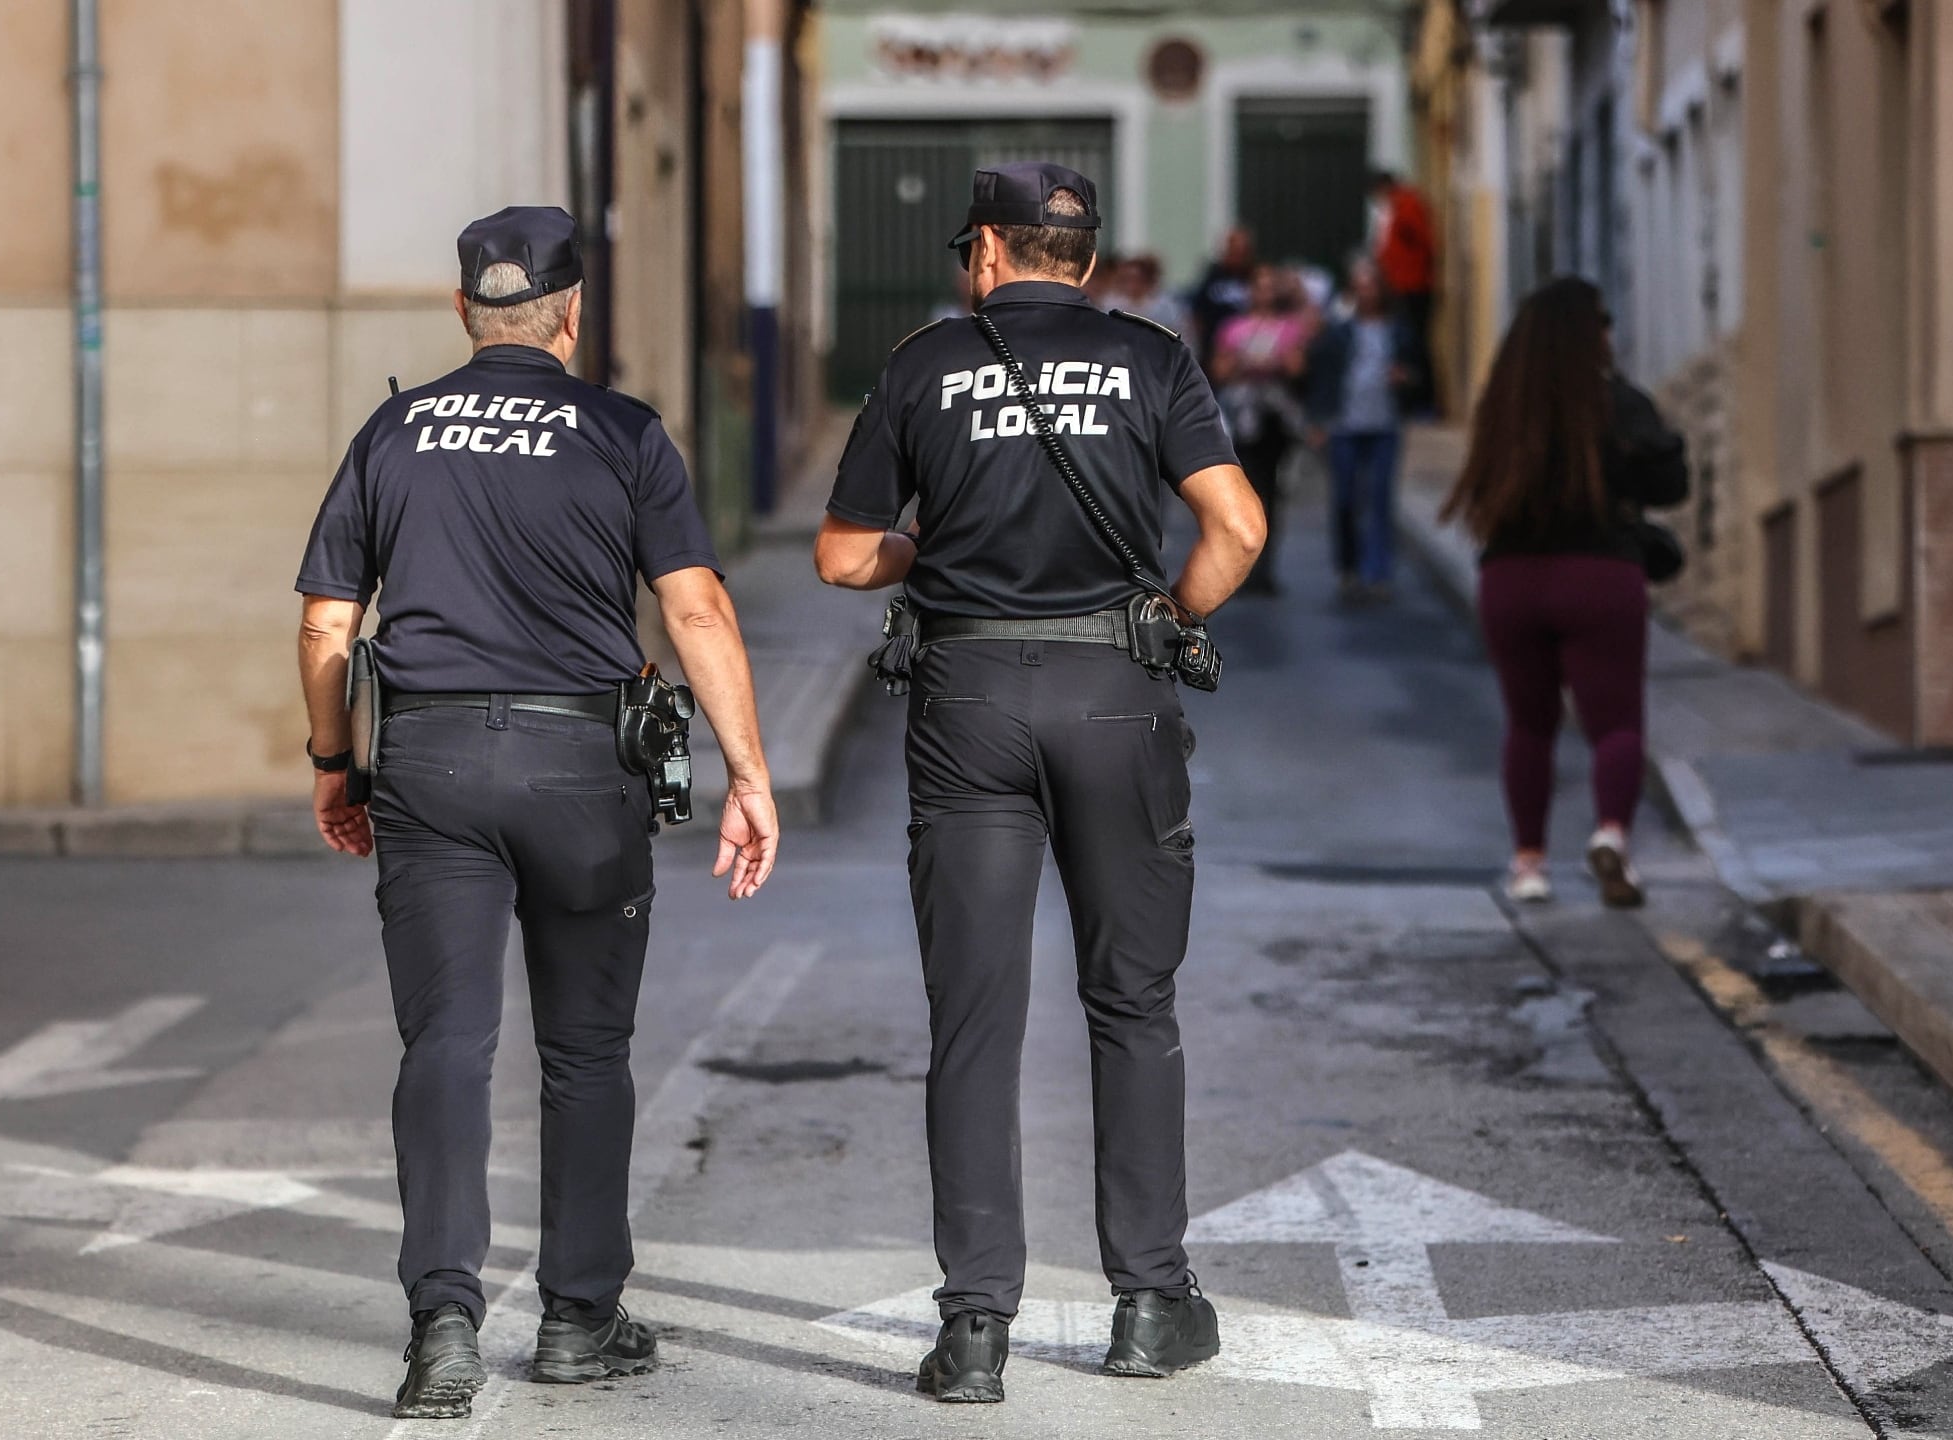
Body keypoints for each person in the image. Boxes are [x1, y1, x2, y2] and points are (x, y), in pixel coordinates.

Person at [294, 206, 781, 1420]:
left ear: (464, 312)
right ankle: (576, 1316)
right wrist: (748, 776)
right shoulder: (621, 432)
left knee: (446, 1047)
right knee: (585, 1051)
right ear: (573, 313)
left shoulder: (395, 430)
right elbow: (699, 612)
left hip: (433, 767)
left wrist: (332, 759)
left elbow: (324, 626)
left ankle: (443, 1328)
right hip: (582, 772)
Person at [814, 162, 1266, 1406]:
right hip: (1116, 693)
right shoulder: (1152, 359)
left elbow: (844, 555)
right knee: (1131, 1003)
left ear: (990, 256)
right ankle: (1151, 1304)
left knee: (973, 1022)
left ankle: (973, 1332)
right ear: (1083, 257)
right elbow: (1238, 529)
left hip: (966, 702)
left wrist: (925, 547)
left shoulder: (924, 364)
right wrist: (1166, 620)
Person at [1440, 278, 1686, 908]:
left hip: (1511, 581)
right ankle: (1611, 838)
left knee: (1529, 725)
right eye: (1603, 322)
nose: (1610, 333)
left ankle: (1528, 864)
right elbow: (1670, 483)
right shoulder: (1616, 403)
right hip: (1598, 575)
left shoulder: (1503, 409)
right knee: (1616, 725)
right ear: (1589, 335)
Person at [1303, 259, 1417, 602]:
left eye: (1372, 285)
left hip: (1384, 423)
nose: (1366, 293)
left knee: (1380, 498)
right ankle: (1349, 566)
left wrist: (1405, 378)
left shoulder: (1398, 330)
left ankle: (1378, 571)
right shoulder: (1339, 332)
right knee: (1346, 499)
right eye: (1360, 285)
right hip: (1345, 424)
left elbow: (1419, 374)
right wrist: (1318, 420)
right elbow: (1321, 376)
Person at [1207, 264, 1315, 594]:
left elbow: (1297, 366)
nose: (1264, 293)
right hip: (1243, 417)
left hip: (1275, 419)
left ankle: (1266, 567)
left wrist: (1268, 362)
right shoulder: (1234, 327)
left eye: (1271, 287)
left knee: (1271, 492)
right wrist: (1248, 362)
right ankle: (1244, 566)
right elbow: (1219, 368)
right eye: (1259, 286)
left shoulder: (1289, 327)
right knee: (1246, 490)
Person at [1369, 171, 1438, 404]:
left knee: (1415, 344)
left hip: (1412, 286)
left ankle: (1423, 399)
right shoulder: (1395, 206)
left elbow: (1422, 241)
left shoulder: (1406, 204)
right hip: (1401, 285)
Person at [1188, 225, 1257, 360]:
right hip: (1215, 347)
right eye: (1234, 250)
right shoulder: (1212, 277)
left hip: (1249, 344)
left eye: (1242, 251)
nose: (1238, 256)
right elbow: (1198, 313)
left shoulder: (1254, 277)